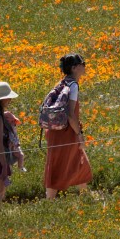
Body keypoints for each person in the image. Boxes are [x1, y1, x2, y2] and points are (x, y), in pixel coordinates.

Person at [44, 53, 92, 198]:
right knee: (66, 162)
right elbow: (70, 114)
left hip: (54, 130)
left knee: (76, 160)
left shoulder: (61, 83)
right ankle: (50, 200)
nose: (85, 66)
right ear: (74, 68)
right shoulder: (73, 86)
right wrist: (79, 134)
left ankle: (85, 195)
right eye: (83, 64)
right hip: (67, 131)